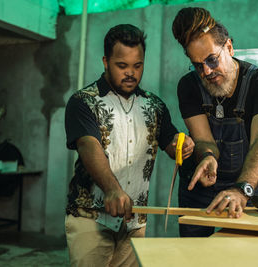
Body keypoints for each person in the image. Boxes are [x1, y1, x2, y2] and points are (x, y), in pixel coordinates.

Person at [64, 24, 194, 266]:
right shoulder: (83, 102)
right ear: (105, 61)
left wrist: (182, 145)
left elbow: (170, 141)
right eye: (122, 66)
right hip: (90, 220)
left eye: (138, 65)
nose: (131, 73)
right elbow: (88, 145)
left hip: (135, 222)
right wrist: (112, 189)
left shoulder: (154, 105)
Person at [172, 7, 258, 237]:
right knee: (193, 255)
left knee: (237, 253)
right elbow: (203, 139)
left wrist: (243, 188)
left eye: (212, 60)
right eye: (198, 65)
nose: (207, 71)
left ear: (229, 47)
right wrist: (209, 157)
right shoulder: (188, 86)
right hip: (199, 190)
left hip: (244, 185)